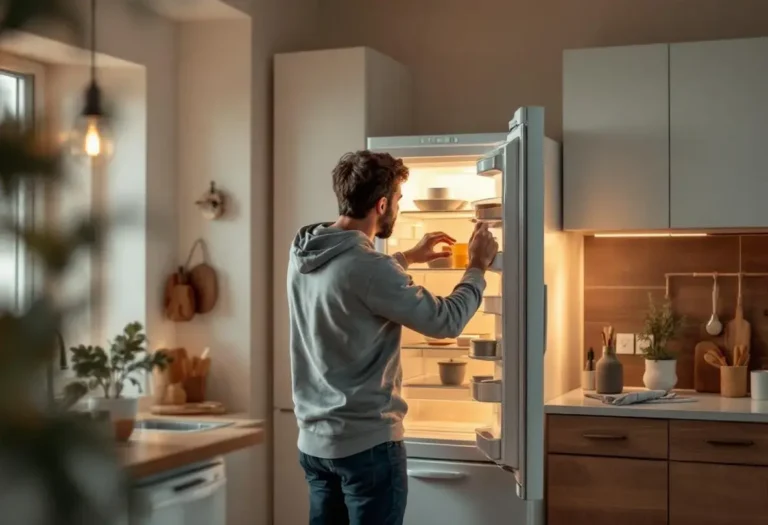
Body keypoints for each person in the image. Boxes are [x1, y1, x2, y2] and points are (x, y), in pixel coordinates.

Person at [287, 150, 499, 525]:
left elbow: (349, 286)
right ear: (382, 204)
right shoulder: (371, 268)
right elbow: (445, 322)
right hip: (366, 447)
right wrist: (476, 267)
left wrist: (406, 258)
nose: (398, 208)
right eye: (398, 200)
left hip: (315, 445)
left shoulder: (305, 249)